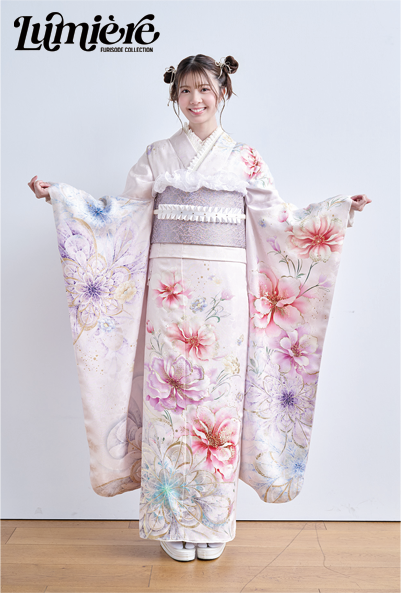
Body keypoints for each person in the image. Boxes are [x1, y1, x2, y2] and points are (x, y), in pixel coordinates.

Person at [28, 54, 371, 563]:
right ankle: (171, 520)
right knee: (168, 401)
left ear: (223, 92)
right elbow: (120, 214)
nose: (196, 100)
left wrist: (337, 211)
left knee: (217, 402)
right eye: (186, 91)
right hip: (168, 294)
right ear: (175, 96)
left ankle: (213, 520)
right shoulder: (158, 155)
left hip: (226, 298)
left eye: (205, 89)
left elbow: (280, 220)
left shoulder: (245, 158)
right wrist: (62, 198)